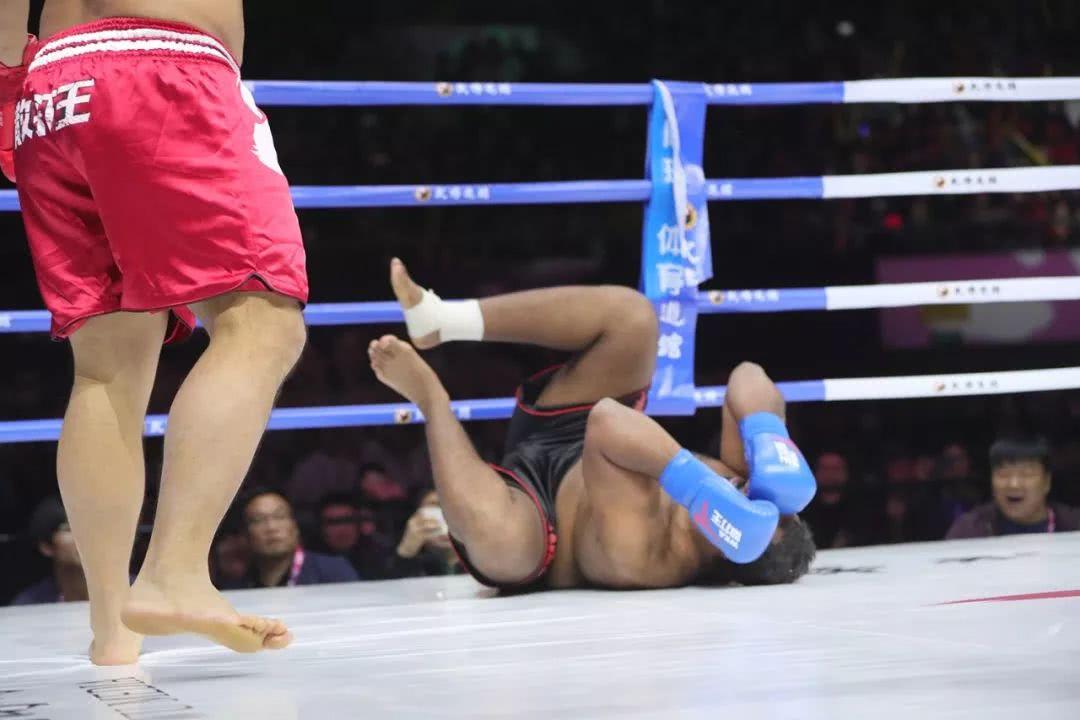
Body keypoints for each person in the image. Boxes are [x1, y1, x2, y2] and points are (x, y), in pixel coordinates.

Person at [1, 1, 307, 663]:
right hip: (164, 72)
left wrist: (8, 79)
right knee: (262, 323)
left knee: (105, 371)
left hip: (50, 87)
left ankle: (114, 629)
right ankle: (176, 572)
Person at [368, 259, 816, 592]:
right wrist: (767, 436)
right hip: (571, 431)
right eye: (758, 497)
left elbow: (607, 421)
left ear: (728, 540)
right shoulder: (738, 485)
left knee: (499, 544)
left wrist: (697, 487)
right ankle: (442, 320)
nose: (743, 488)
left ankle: (430, 398)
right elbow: (747, 376)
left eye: (746, 506)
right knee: (634, 317)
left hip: (537, 519)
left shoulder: (645, 557)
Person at [946, 436, 1080, 539]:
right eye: (1003, 474)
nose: (1013, 484)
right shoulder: (969, 529)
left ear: (1046, 482)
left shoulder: (1073, 524)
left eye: (1026, 474)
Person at [224, 489, 359, 589]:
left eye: (280, 516)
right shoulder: (238, 584)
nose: (271, 528)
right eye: (258, 520)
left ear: (295, 526)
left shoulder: (333, 570)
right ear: (245, 535)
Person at [11, 497, 88, 605]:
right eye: (69, 529)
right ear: (46, 547)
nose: (85, 537)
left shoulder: (112, 596)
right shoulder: (29, 605)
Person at [394, 490, 465, 578]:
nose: (444, 516)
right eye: (434, 507)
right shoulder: (412, 565)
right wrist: (406, 551)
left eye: (453, 507)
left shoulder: (479, 564)